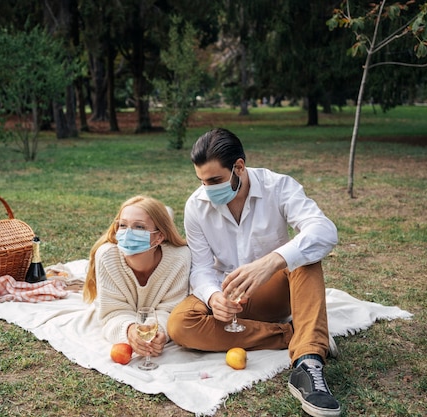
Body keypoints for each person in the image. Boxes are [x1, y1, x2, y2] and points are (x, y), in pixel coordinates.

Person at [167, 128, 341, 417]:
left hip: (273, 292)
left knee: (306, 257)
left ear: (239, 167)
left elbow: (324, 231)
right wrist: (212, 298)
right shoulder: (196, 206)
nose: (207, 190)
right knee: (180, 325)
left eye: (215, 181)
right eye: (201, 181)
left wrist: (273, 260)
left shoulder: (279, 186)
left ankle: (308, 362)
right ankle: (290, 334)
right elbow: (200, 268)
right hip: (228, 297)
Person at [84, 195, 191, 360]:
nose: (128, 234)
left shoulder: (179, 258)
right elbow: (112, 313)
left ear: (159, 236)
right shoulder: (107, 256)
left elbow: (171, 310)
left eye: (139, 227)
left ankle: (165, 214)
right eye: (122, 225)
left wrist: (159, 332)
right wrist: (129, 330)